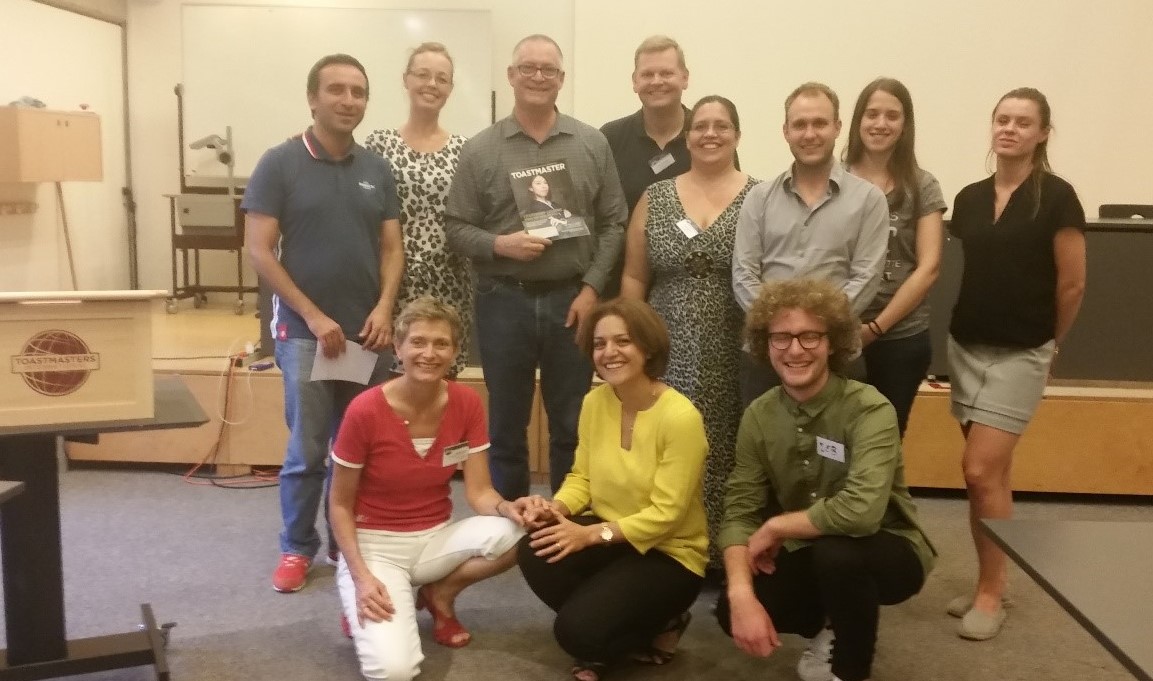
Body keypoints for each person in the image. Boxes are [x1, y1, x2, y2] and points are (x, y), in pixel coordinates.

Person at [715, 278, 935, 681]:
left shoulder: (870, 409)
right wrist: (740, 593)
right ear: (766, 345)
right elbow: (739, 510)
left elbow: (862, 512)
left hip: (887, 546)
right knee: (730, 611)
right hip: (809, 548)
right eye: (781, 337)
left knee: (838, 556)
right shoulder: (759, 415)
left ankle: (851, 670)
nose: (795, 349)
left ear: (833, 343)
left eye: (810, 336)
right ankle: (832, 620)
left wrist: (777, 526)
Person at [243, 53, 403, 594]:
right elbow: (259, 251)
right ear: (313, 98)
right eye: (336, 89)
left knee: (355, 448)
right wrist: (313, 316)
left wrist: (384, 308)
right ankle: (296, 547)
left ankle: (344, 542)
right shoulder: (279, 163)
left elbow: (392, 248)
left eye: (358, 91)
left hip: (365, 335)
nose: (348, 100)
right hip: (306, 335)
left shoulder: (376, 169)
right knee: (308, 450)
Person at [444, 34, 628, 500]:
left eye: (548, 69)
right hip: (504, 300)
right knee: (507, 425)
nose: (538, 77)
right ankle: (510, 524)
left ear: (561, 79)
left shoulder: (591, 142)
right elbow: (456, 227)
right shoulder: (480, 149)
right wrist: (500, 244)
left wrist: (591, 289)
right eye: (528, 67)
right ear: (511, 75)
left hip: (573, 300)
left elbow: (614, 222)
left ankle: (566, 518)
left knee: (571, 422)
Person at [330, 297, 539, 681]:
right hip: (376, 547)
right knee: (394, 671)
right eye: (418, 342)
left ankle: (438, 594)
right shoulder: (364, 410)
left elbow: (480, 492)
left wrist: (508, 508)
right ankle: (359, 598)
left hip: (434, 540)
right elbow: (340, 505)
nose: (429, 353)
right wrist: (361, 578)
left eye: (441, 344)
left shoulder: (467, 402)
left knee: (525, 530)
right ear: (398, 348)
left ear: (455, 352)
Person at [945, 87, 1086, 640]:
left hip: (1022, 352)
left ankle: (992, 591)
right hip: (966, 348)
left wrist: (1050, 346)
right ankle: (990, 581)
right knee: (990, 479)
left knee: (979, 470)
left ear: (1042, 133)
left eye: (1023, 122)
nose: (1009, 129)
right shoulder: (969, 198)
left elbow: (1072, 284)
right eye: (1002, 119)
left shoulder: (1058, 197)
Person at [517, 298, 708, 681]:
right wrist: (556, 508)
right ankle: (609, 624)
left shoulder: (681, 417)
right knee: (535, 547)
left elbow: (667, 516)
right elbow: (582, 478)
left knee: (575, 634)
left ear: (647, 347)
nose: (609, 352)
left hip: (669, 553)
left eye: (623, 341)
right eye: (600, 344)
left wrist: (590, 535)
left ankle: (662, 621)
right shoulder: (595, 402)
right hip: (612, 539)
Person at [620, 95, 756, 570]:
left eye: (722, 125)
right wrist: (633, 347)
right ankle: (665, 543)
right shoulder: (655, 196)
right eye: (700, 126)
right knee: (665, 441)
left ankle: (724, 551)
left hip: (736, 345)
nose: (710, 134)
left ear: (737, 135)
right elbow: (634, 276)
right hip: (666, 346)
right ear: (687, 136)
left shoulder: (760, 197)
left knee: (730, 445)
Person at [732, 82, 889, 407]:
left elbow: (866, 278)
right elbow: (743, 275)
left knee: (837, 441)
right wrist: (783, 331)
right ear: (786, 131)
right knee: (764, 439)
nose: (809, 134)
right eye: (800, 124)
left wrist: (812, 332)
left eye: (819, 123)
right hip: (766, 358)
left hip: (837, 354)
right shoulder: (758, 199)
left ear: (837, 127)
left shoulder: (869, 200)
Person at [844, 78, 947, 437]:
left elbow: (928, 267)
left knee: (884, 440)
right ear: (857, 121)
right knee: (833, 440)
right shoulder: (833, 180)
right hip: (839, 333)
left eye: (892, 116)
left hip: (901, 336)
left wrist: (875, 329)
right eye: (872, 114)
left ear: (905, 125)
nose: (880, 123)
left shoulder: (922, 185)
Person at [364, 42, 472, 378]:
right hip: (389, 284)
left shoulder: (465, 150)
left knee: (439, 377)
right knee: (387, 381)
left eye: (442, 78)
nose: (432, 84)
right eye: (423, 75)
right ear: (406, 80)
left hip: (448, 284)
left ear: (450, 88)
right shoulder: (379, 144)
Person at [601, 35, 692, 299]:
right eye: (647, 74)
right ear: (635, 81)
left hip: (688, 286)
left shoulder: (708, 137)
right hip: (618, 286)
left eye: (666, 73)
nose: (656, 81)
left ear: (685, 78)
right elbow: (598, 217)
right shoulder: (609, 138)